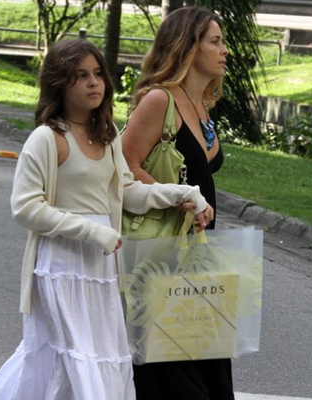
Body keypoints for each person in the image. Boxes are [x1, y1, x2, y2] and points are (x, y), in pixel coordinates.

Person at [0, 39, 213, 400]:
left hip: (103, 267)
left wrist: (183, 194)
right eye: (81, 76)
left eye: (98, 74)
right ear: (59, 83)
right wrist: (92, 231)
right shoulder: (48, 138)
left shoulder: (107, 137)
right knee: (73, 359)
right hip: (60, 268)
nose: (94, 83)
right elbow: (25, 206)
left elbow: (129, 193)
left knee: (100, 358)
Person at [121, 6, 231, 400]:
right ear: (188, 47)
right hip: (160, 255)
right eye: (215, 42)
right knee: (174, 377)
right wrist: (181, 200)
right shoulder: (158, 100)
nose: (225, 51)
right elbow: (125, 169)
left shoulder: (203, 104)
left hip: (197, 256)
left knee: (210, 373)